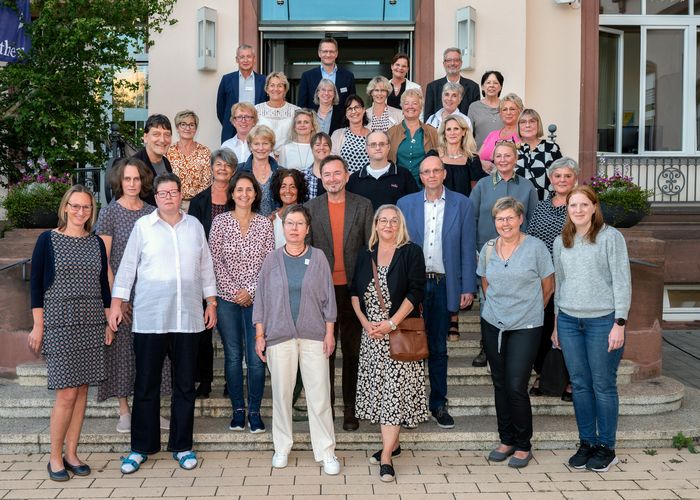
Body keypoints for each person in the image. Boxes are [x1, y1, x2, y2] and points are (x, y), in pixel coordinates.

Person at [109, 173, 217, 475]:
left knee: (185, 385)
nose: (169, 197)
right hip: (150, 318)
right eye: (163, 193)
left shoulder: (194, 226)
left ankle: (182, 446)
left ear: (181, 194)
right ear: (154, 197)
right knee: (146, 385)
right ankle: (141, 448)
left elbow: (206, 266)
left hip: (188, 320)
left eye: (173, 192)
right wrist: (117, 303)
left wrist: (212, 302)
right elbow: (128, 266)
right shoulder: (143, 227)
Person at [29, 185, 113, 482]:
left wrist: (107, 321)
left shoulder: (95, 243)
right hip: (59, 322)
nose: (80, 212)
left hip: (91, 321)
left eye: (86, 207)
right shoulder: (47, 240)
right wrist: (38, 325)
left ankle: (72, 453)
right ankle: (54, 457)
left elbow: (103, 286)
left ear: (92, 211)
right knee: (66, 392)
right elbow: (36, 286)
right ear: (65, 207)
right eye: (75, 206)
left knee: (82, 391)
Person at [253, 204, 340, 476]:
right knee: (281, 395)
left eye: (299, 223)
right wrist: (259, 334)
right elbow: (262, 300)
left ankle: (326, 452)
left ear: (307, 228)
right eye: (289, 223)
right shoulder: (271, 260)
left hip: (314, 336)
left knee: (319, 395)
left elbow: (329, 298)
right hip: (279, 337)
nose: (294, 228)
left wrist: (329, 332)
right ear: (283, 226)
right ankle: (281, 447)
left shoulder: (319, 258)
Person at [552, 185, 631, 473]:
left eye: (584, 205)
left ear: (594, 207)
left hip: (602, 322)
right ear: (567, 209)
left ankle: (606, 447)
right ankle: (586, 443)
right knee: (581, 385)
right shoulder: (562, 241)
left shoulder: (611, 238)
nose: (578, 210)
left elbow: (622, 281)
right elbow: (560, 284)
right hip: (570, 322)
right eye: (573, 205)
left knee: (603, 384)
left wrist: (619, 323)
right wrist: (557, 323)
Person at [397, 155, 477, 429]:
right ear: (420, 176)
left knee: (438, 348)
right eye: (425, 172)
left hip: (444, 284)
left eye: (436, 171)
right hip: (413, 287)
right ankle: (409, 404)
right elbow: (398, 247)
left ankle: (438, 404)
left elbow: (468, 246)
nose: (431, 175)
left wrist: (467, 286)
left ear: (444, 174)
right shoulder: (405, 204)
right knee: (408, 347)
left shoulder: (462, 204)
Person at [351, 204, 427, 482]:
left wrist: (391, 323)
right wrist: (364, 323)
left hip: (399, 336)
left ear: (400, 225)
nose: (388, 225)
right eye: (383, 220)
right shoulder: (365, 254)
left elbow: (416, 291)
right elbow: (354, 294)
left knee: (393, 396)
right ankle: (392, 445)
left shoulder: (410, 252)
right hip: (372, 337)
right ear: (376, 224)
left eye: (393, 220)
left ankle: (385, 458)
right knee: (382, 396)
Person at [477, 196, 554, 469]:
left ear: (520, 219)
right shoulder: (488, 248)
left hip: (526, 326)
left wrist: (530, 310)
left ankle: (523, 444)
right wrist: (499, 310)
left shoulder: (536, 247)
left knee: (516, 385)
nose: (505, 223)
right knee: (499, 384)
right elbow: (485, 282)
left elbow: (548, 285)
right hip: (493, 324)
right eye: (500, 218)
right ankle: (506, 439)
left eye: (510, 217)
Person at [96, 159, 172, 431]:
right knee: (122, 355)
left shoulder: (154, 212)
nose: (131, 184)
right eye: (127, 179)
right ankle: (124, 411)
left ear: (143, 182)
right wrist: (119, 298)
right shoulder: (109, 214)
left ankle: (151, 410)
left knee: (154, 356)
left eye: (136, 179)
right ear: (120, 182)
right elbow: (105, 260)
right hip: (122, 297)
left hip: (152, 297)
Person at [305, 155, 374, 431]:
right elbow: (307, 253)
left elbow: (371, 248)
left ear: (346, 176)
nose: (332, 179)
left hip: (353, 292)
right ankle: (326, 409)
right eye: (327, 175)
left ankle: (350, 409)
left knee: (353, 352)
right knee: (325, 354)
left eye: (337, 174)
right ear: (321, 179)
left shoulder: (363, 205)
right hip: (323, 292)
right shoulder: (310, 208)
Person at [208, 171, 275, 434]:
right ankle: (238, 410)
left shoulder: (264, 225)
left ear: (255, 194)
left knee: (256, 358)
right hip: (226, 299)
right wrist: (235, 291)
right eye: (239, 190)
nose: (244, 194)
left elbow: (268, 264)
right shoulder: (220, 222)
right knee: (233, 356)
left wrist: (249, 290)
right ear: (232, 193)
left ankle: (255, 412)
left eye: (249, 190)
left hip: (258, 300)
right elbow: (214, 260)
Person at [469, 140, 538, 368]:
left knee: (514, 299)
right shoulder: (482, 185)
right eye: (499, 156)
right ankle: (486, 346)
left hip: (519, 255)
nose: (503, 160)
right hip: (488, 254)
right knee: (488, 299)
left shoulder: (527, 187)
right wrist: (476, 250)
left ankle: (513, 341)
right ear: (493, 159)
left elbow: (533, 222)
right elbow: (472, 219)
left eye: (508, 155)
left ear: (515, 158)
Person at [188, 149, 239, 398]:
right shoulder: (199, 201)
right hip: (203, 271)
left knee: (231, 332)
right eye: (218, 164)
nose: (222, 169)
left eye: (227, 166)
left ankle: (232, 382)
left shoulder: (239, 196)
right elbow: (192, 237)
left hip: (233, 271)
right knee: (203, 332)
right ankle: (205, 381)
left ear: (233, 170)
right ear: (211, 167)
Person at [526, 157, 578, 401]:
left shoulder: (580, 206)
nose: (562, 180)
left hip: (571, 279)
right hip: (542, 278)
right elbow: (532, 239)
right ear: (550, 179)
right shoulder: (542, 206)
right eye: (558, 176)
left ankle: (569, 380)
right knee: (542, 330)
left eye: (567, 176)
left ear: (574, 179)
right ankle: (544, 374)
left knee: (566, 331)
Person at [346, 130, 419, 210]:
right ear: (366, 148)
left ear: (388, 147)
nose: (378, 148)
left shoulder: (403, 175)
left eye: (382, 144)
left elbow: (414, 206)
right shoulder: (354, 179)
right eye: (373, 145)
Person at [216, 44, 266, 142]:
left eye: (249, 56)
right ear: (237, 60)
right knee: (230, 157)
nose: (245, 60)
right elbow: (220, 108)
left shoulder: (263, 80)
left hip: (257, 130)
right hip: (231, 131)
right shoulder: (227, 79)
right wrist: (234, 123)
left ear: (254, 59)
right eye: (242, 57)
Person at [388, 88, 439, 184]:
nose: (410, 107)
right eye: (406, 103)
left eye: (415, 103)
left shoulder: (433, 132)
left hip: (425, 187)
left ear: (421, 108)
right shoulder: (391, 133)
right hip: (398, 186)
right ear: (402, 107)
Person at [166, 110, 212, 207]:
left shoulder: (205, 151)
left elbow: (207, 182)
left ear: (196, 128)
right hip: (173, 202)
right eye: (183, 124)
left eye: (191, 125)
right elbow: (165, 179)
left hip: (198, 203)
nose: (187, 128)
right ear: (177, 128)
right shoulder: (169, 151)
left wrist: (195, 202)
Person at [516, 108, 563, 201]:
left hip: (546, 205)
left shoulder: (551, 148)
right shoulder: (511, 149)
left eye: (532, 121)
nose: (527, 125)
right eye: (523, 122)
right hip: (516, 205)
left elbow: (561, 175)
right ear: (518, 126)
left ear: (538, 124)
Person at [298, 37, 356, 110]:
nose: (328, 55)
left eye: (331, 51)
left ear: (336, 54)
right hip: (314, 120)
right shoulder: (307, 76)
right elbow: (302, 106)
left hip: (340, 121)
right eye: (325, 51)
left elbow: (352, 104)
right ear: (319, 53)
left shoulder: (348, 76)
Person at [438, 114, 486, 198]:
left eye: (456, 129)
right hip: (437, 207)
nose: (452, 133)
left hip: (463, 207)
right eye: (448, 129)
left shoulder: (472, 159)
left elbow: (475, 193)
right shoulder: (434, 155)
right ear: (444, 133)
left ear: (463, 132)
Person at [423, 47, 479, 119]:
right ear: (444, 64)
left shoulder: (473, 87)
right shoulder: (432, 87)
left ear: (461, 63)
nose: (452, 63)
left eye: (456, 60)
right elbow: (428, 117)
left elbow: (475, 118)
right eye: (449, 60)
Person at [239, 125, 281, 216]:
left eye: (265, 143)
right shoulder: (239, 171)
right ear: (250, 146)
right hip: (246, 224)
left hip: (274, 225)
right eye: (256, 144)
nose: (261, 148)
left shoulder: (281, 172)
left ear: (271, 146)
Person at [131, 114, 173, 205]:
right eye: (156, 134)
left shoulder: (166, 163)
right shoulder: (133, 166)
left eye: (167, 135)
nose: (162, 140)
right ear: (145, 138)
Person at [255, 72, 300, 154]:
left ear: (285, 89)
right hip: (263, 156)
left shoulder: (296, 111)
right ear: (267, 89)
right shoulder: (256, 110)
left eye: (279, 86)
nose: (275, 89)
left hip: (289, 156)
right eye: (272, 85)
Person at [478, 93, 523, 173]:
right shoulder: (492, 135)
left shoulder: (523, 135)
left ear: (520, 111)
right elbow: (477, 158)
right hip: (484, 180)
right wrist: (482, 163)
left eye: (512, 109)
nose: (508, 113)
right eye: (505, 109)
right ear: (500, 114)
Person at [330, 95, 371, 174]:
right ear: (346, 114)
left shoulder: (373, 136)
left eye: (357, 107)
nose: (353, 111)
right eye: (350, 109)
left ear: (363, 110)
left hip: (367, 181)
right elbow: (332, 160)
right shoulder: (337, 134)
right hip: (344, 181)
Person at [270, 168, 308, 248]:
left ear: (299, 190)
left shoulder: (307, 217)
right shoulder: (272, 219)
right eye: (283, 187)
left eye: (293, 187)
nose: (288, 191)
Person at [468, 70, 504, 148]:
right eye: (488, 82)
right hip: (480, 155)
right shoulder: (474, 107)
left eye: (495, 83)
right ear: (482, 87)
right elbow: (469, 134)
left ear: (500, 87)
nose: (492, 85)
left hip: (503, 155)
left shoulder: (506, 106)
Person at [304, 132, 331, 200]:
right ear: (312, 148)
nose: (322, 147)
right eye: (318, 145)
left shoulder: (337, 176)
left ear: (330, 149)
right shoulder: (303, 176)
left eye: (325, 145)